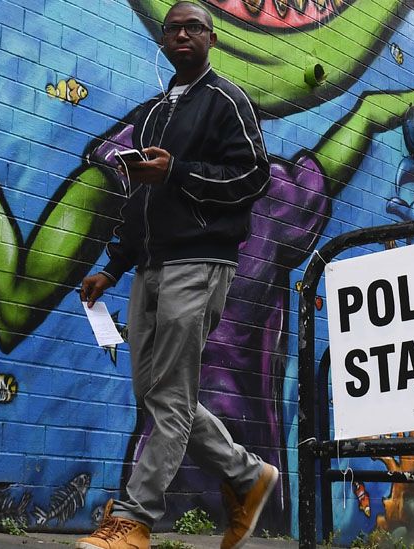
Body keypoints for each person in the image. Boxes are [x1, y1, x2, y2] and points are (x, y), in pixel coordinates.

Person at [76, 3, 276, 549]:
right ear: (163, 42)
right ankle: (245, 474)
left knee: (167, 393)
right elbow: (143, 197)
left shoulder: (227, 100)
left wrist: (178, 172)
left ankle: (134, 519)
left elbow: (254, 175)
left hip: (200, 261)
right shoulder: (155, 112)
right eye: (174, 29)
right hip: (150, 266)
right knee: (156, 392)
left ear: (211, 38)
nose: (183, 34)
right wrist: (113, 267)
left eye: (194, 27)